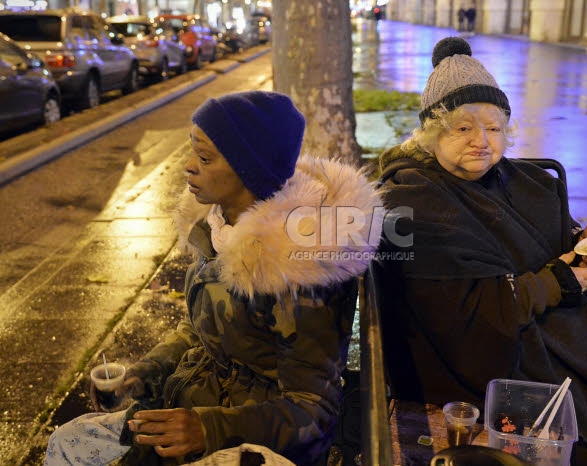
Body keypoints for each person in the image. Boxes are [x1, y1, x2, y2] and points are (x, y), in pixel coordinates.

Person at [376, 37, 587, 466]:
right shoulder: (416, 204)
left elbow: (550, 243)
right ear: (432, 134)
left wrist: (581, 247)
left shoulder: (525, 181)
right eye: (463, 128)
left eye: (495, 127)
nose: (482, 141)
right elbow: (465, 317)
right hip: (479, 356)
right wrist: (561, 279)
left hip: (540, 322)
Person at [44, 90, 385, 466]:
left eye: (204, 157)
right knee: (68, 441)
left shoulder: (298, 271)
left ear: (248, 169)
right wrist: (143, 375)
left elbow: (312, 412)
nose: (188, 166)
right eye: (192, 152)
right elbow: (199, 332)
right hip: (195, 400)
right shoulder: (217, 229)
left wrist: (208, 428)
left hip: (251, 439)